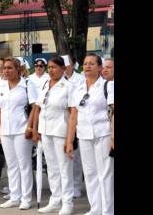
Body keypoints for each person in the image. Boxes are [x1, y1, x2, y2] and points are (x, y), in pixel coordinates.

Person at [65, 53, 114, 215]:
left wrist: (113, 136)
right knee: (90, 173)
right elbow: (73, 116)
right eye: (85, 63)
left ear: (100, 67)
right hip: (84, 135)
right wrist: (69, 141)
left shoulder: (108, 86)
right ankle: (95, 209)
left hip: (103, 134)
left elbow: (113, 112)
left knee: (105, 174)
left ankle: (107, 211)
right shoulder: (77, 88)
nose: (87, 66)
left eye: (92, 64)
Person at [32, 56, 75, 215]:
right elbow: (38, 107)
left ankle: (67, 202)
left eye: (54, 67)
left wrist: (70, 138)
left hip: (61, 130)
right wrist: (35, 129)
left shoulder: (69, 86)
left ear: (63, 69)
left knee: (64, 168)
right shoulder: (45, 84)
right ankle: (55, 200)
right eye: (49, 67)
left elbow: (72, 114)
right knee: (52, 168)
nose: (50, 70)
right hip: (46, 131)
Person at [0, 57, 37, 209]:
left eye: (10, 68)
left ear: (18, 69)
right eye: (4, 68)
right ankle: (14, 196)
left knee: (24, 164)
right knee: (11, 165)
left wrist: (30, 127)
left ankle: (26, 198)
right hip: (6, 130)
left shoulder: (26, 84)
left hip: (22, 130)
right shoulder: (1, 86)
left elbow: (35, 107)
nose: (6, 71)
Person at [63, 55, 86, 199]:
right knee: (64, 156)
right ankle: (66, 186)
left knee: (76, 156)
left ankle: (77, 185)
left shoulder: (80, 79)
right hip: (61, 121)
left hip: (75, 119)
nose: (65, 68)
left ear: (72, 64)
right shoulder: (57, 80)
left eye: (67, 64)